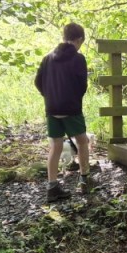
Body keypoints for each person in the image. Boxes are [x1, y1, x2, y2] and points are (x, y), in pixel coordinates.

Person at [34, 22, 94, 202]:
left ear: (63, 37)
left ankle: (52, 187)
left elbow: (38, 82)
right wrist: (73, 98)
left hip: (52, 108)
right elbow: (82, 84)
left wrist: (50, 96)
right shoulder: (78, 58)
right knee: (82, 142)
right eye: (81, 41)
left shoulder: (47, 58)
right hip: (71, 108)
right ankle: (84, 181)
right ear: (79, 39)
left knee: (56, 147)